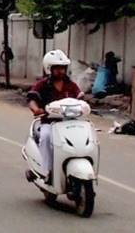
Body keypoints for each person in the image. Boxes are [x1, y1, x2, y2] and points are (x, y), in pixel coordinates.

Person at [27, 49, 82, 184]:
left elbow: (81, 98)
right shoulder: (42, 85)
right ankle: (46, 171)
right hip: (49, 123)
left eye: (63, 68)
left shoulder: (71, 85)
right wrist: (36, 109)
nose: (61, 71)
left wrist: (85, 106)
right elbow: (32, 99)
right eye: (57, 68)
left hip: (69, 123)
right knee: (45, 138)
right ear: (49, 69)